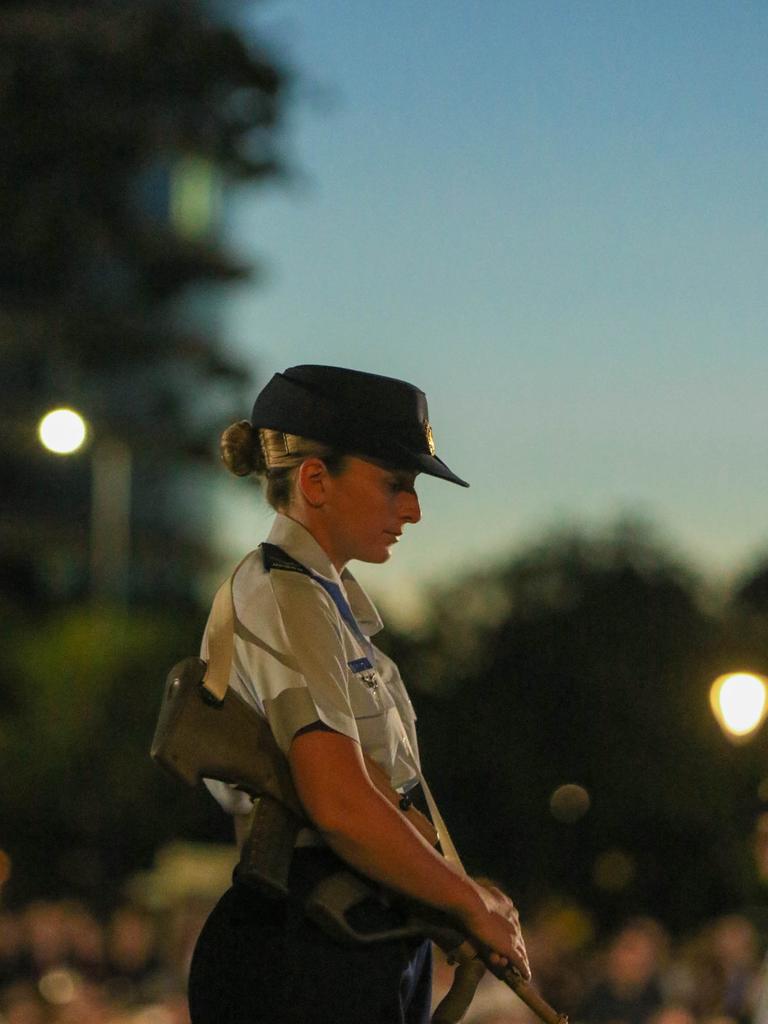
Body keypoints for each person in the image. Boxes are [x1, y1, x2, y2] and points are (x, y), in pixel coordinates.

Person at [187, 365, 529, 1024]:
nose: (414, 509)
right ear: (316, 480)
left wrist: (457, 892)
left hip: (342, 932)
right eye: (395, 483)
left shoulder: (318, 603)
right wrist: (465, 904)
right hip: (308, 942)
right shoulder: (287, 596)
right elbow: (340, 800)